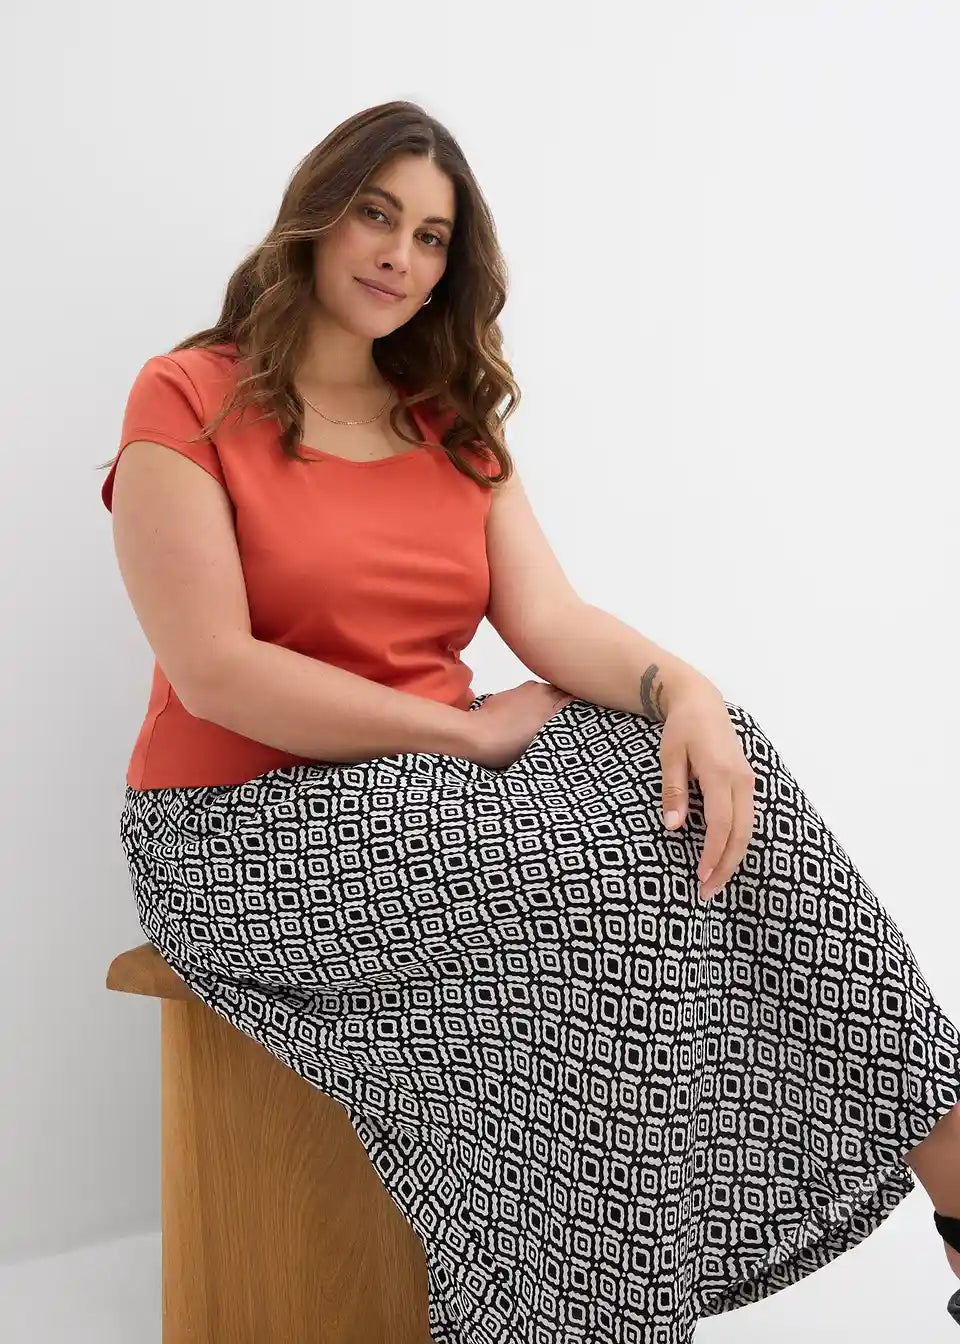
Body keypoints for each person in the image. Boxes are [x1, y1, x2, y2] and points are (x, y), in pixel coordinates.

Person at [98, 100, 960, 1342]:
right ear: (316, 217)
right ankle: (592, 1310)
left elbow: (550, 620)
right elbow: (215, 671)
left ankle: (957, 1173)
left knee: (717, 769)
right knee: (601, 884)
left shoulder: (445, 420)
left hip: (425, 799)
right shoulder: (189, 394)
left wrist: (690, 692)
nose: (402, 256)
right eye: (378, 216)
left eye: (432, 237)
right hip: (235, 830)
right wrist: (463, 733)